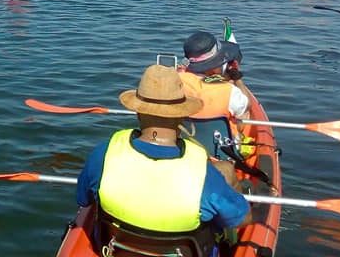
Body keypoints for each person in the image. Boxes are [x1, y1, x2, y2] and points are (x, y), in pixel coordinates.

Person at [75, 64, 251, 255]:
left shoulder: (103, 154)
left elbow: (84, 200)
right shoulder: (203, 174)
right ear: (182, 115)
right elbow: (242, 219)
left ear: (138, 111)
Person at [178, 31, 256, 162]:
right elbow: (248, 105)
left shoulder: (175, 80)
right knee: (244, 113)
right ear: (214, 67)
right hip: (220, 155)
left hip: (185, 148)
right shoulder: (229, 91)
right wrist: (237, 78)